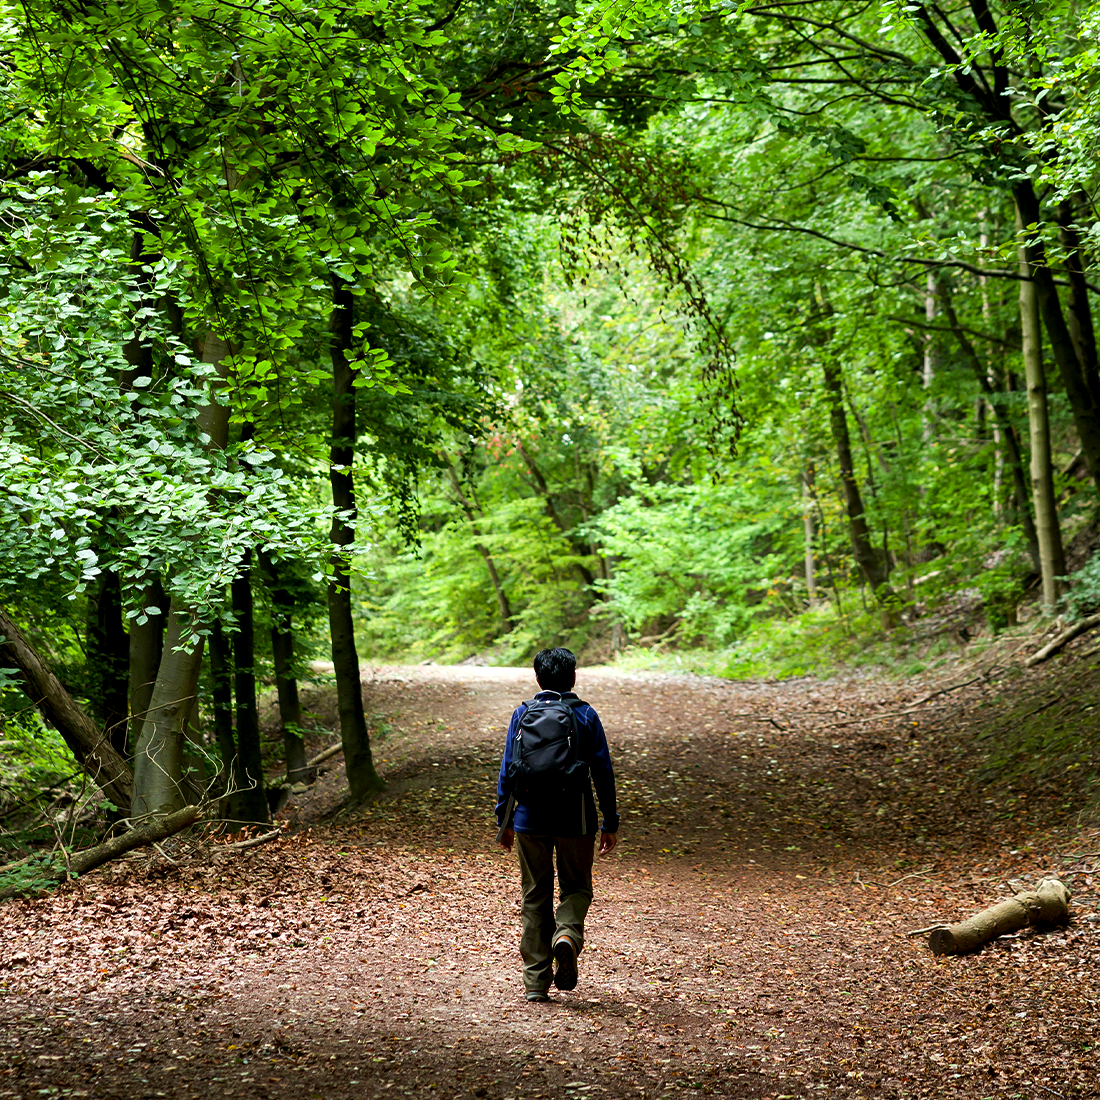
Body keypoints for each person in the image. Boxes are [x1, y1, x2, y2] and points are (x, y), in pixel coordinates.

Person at [495, 647, 619, 1003]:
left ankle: (535, 983)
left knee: (534, 896)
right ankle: (565, 935)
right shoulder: (585, 715)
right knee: (576, 889)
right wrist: (610, 821)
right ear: (573, 677)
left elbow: (508, 770)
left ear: (538, 679)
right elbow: (603, 773)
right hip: (575, 818)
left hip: (528, 818)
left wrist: (503, 820)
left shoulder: (522, 714)